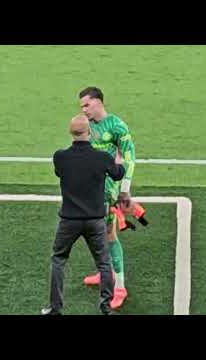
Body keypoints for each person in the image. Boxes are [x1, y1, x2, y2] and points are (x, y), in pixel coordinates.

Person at [41, 114, 125, 315]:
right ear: (89, 132)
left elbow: (60, 173)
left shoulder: (60, 157)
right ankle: (106, 308)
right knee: (104, 263)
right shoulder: (102, 158)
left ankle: (55, 308)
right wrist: (118, 160)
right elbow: (118, 174)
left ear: (71, 133)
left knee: (58, 260)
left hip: (69, 220)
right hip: (95, 220)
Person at [78, 87, 136, 309]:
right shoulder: (85, 126)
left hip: (108, 190)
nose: (84, 110)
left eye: (86, 105)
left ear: (98, 102)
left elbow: (129, 158)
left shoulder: (117, 126)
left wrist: (124, 190)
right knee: (95, 234)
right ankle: (107, 272)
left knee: (110, 237)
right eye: (82, 107)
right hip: (89, 189)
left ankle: (119, 286)